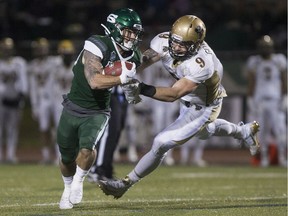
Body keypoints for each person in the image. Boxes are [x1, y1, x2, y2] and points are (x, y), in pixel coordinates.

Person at [98, 15, 260, 199]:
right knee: (204, 132)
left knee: (161, 143)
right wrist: (125, 75)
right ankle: (243, 131)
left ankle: (125, 184)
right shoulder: (163, 41)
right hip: (189, 100)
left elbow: (173, 94)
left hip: (204, 106)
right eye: (174, 42)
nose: (176, 47)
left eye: (183, 45)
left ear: (197, 45)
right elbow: (145, 61)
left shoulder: (203, 65)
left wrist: (141, 88)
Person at [57, 8, 144, 209]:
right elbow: (94, 81)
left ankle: (78, 182)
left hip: (98, 110)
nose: (132, 36)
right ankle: (67, 186)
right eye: (128, 31)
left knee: (88, 149)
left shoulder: (133, 56)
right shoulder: (96, 44)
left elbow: (143, 62)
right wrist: (122, 78)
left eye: (135, 32)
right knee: (67, 157)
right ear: (115, 29)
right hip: (73, 105)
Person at [245, 35, 287, 167]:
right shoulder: (254, 61)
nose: (265, 49)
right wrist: (250, 98)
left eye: (266, 47)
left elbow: (284, 79)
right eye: (263, 47)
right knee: (262, 132)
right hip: (260, 101)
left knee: (280, 130)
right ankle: (264, 158)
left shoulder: (279, 60)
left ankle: (282, 157)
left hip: (275, 100)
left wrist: (285, 96)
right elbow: (251, 82)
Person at [86, 85, 129, 183]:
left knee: (116, 132)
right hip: (109, 93)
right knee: (107, 132)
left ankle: (106, 169)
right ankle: (97, 169)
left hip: (123, 95)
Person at [28, 37, 58, 164]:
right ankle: (45, 156)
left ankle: (59, 155)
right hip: (42, 100)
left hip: (56, 98)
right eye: (39, 48)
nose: (41, 51)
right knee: (44, 128)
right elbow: (32, 87)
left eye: (43, 48)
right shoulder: (32, 65)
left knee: (59, 128)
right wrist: (34, 104)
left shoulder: (54, 62)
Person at [0, 37, 28, 163]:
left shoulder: (19, 62)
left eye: (9, 49)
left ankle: (11, 154)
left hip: (15, 99)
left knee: (12, 129)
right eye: (5, 48)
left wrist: (22, 94)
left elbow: (23, 80)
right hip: (1, 100)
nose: (7, 51)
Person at [51, 40, 76, 163]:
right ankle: (59, 156)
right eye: (65, 54)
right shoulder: (54, 64)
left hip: (73, 102)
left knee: (73, 130)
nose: (67, 56)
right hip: (58, 101)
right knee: (59, 130)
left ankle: (73, 156)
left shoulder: (76, 65)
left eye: (69, 54)